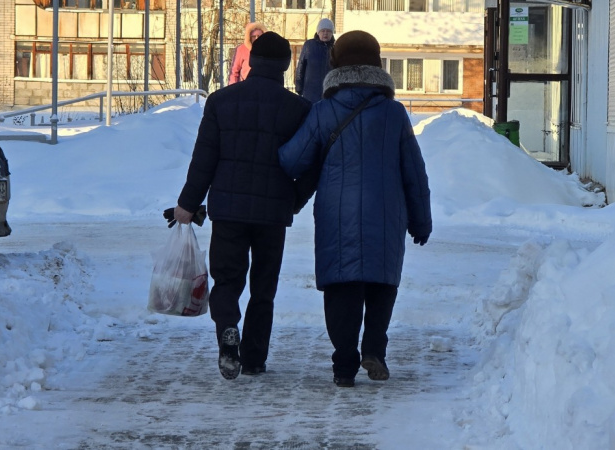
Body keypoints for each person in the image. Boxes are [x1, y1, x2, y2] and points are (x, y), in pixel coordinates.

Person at [278, 30, 432, 388]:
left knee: (341, 289)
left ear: (335, 65)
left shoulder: (323, 111)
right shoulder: (394, 113)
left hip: (337, 217)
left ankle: (343, 365)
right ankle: (374, 349)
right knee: (381, 285)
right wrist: (420, 221)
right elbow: (414, 171)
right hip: (386, 217)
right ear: (377, 65)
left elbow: (292, 161)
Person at [173, 32, 312, 380]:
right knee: (263, 289)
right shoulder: (298, 109)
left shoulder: (221, 101)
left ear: (251, 61)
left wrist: (188, 203)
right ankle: (254, 359)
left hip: (229, 211)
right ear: (285, 66)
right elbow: (311, 164)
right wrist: (293, 201)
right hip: (272, 214)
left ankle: (228, 332)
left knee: (227, 282)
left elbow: (204, 158)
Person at [294, 18, 335, 103]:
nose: (325, 33)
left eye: (328, 31)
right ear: (318, 32)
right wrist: (299, 87)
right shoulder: (309, 45)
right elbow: (301, 66)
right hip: (310, 93)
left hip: (330, 94)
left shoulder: (335, 48)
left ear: (332, 33)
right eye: (323, 31)